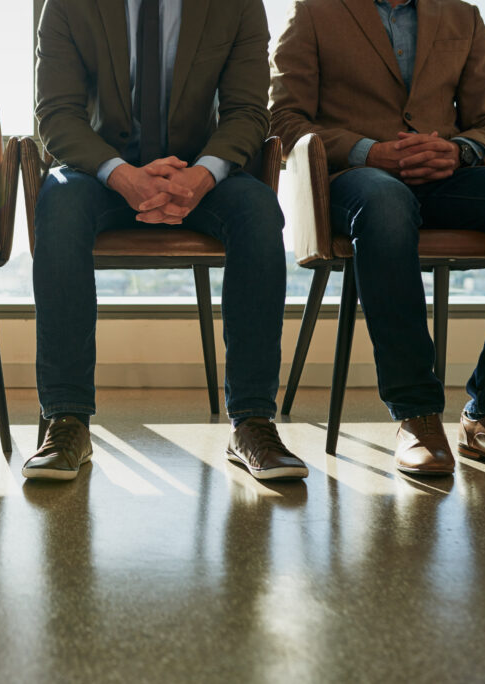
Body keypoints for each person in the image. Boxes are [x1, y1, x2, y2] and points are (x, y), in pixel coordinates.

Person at [26, 0, 308, 482]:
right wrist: (121, 175)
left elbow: (246, 112)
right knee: (59, 204)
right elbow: (56, 115)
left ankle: (253, 422)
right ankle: (67, 420)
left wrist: (202, 176)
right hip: (101, 173)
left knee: (259, 211)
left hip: (198, 172)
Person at [270, 0, 485, 477]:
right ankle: (416, 415)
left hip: (446, 176)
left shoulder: (463, 16)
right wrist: (367, 151)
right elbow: (284, 121)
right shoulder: (313, 12)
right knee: (386, 204)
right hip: (353, 180)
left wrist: (460, 151)